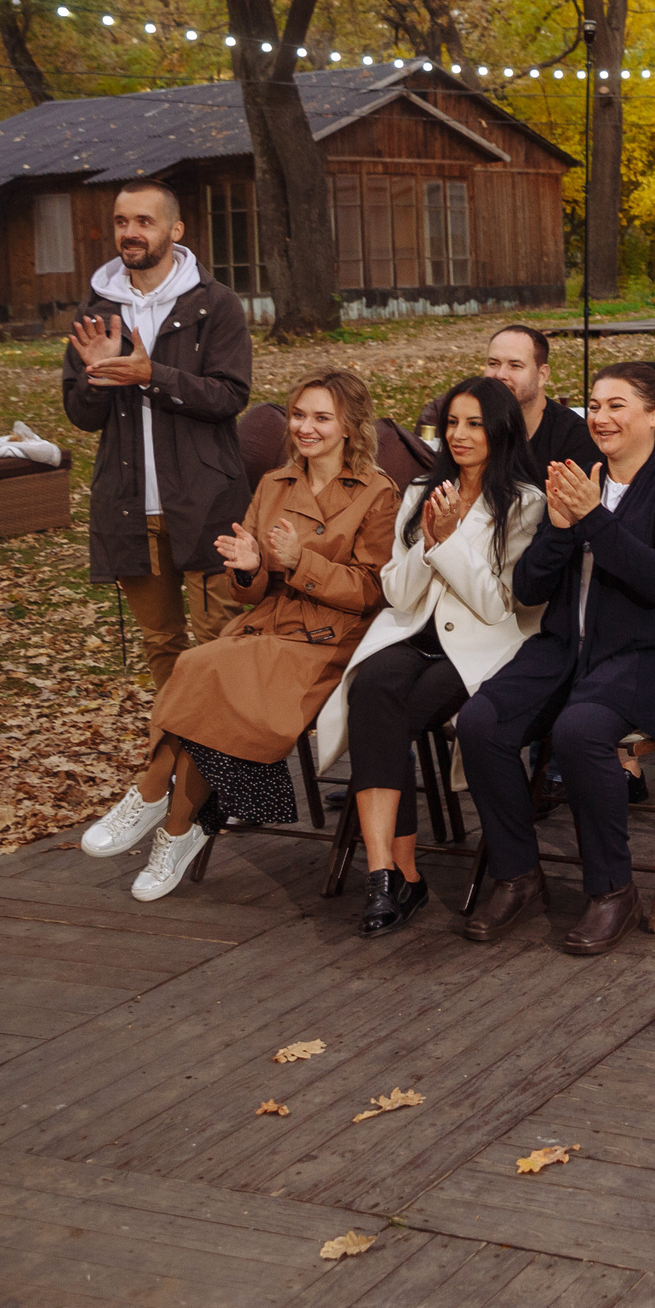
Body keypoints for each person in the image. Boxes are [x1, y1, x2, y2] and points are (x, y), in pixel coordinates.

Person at [80, 370, 398, 902]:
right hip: (267, 623)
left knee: (204, 668)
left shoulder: (376, 493)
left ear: (350, 426)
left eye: (322, 418)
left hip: (330, 636)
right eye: (299, 415)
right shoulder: (275, 483)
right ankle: (177, 827)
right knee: (201, 671)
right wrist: (249, 568)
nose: (306, 427)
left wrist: (301, 563)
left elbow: (373, 590)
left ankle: (154, 796)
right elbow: (248, 592)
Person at [455, 363, 655, 957]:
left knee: (578, 732)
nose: (600, 417)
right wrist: (565, 525)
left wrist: (595, 518)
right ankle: (518, 875)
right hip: (566, 649)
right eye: (594, 405)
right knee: (481, 724)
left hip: (654, 655)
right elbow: (530, 586)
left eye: (617, 405)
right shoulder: (577, 480)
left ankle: (612, 891)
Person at [312, 377, 546, 937]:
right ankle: (387, 873)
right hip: (412, 632)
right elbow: (397, 591)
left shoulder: (524, 503)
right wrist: (428, 543)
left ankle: (398, 880)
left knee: (385, 718)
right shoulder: (420, 490)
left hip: (477, 646)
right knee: (372, 688)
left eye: (474, 424)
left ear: (501, 429)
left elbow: (496, 604)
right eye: (452, 424)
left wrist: (449, 543)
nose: (459, 435)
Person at [61, 176, 252, 690]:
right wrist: (97, 377)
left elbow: (230, 396)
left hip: (206, 501)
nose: (131, 232)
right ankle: (177, 758)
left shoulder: (216, 304)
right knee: (162, 643)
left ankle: (227, 761)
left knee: (220, 639)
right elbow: (81, 416)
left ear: (175, 229)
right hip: (129, 506)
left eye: (144, 221)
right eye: (123, 222)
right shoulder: (96, 310)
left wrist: (151, 375)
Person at [483, 323, 596, 478]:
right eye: (493, 364)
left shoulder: (574, 439)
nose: (500, 374)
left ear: (542, 375)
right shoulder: (471, 422)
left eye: (515, 365)